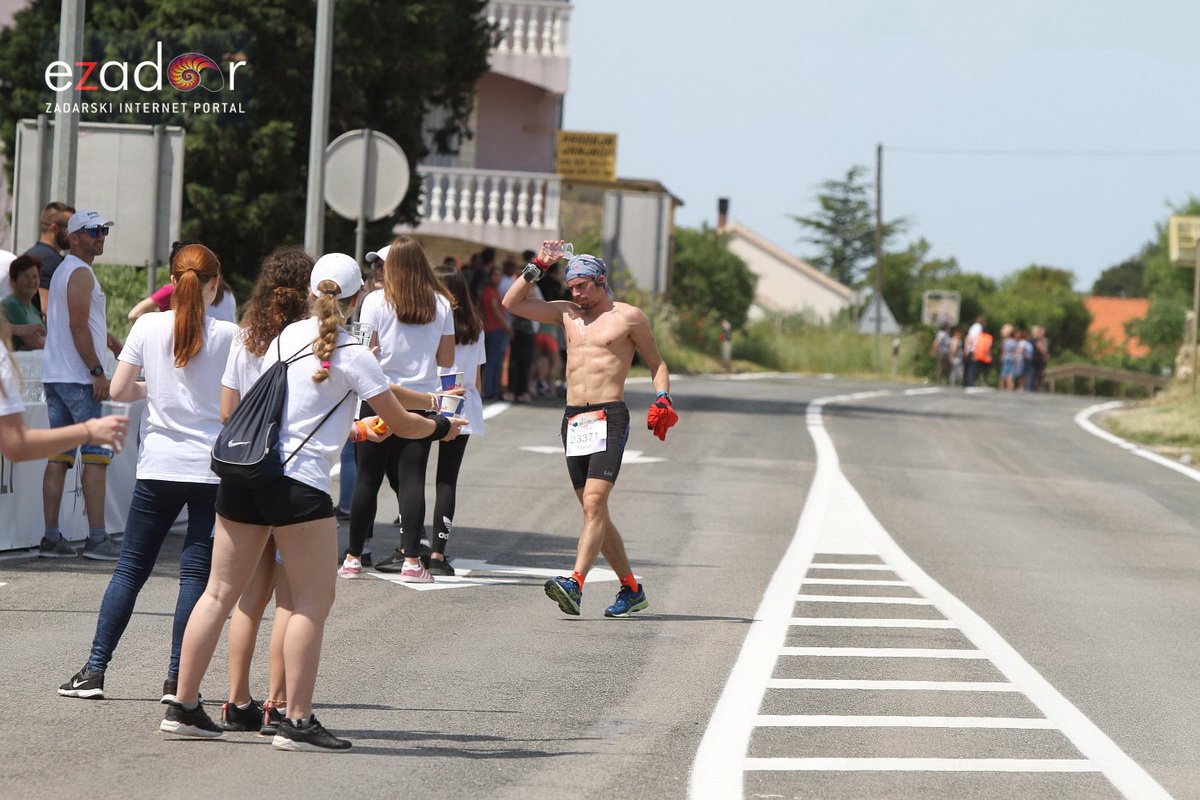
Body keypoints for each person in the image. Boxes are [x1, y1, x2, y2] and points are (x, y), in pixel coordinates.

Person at [159, 253, 464, 751]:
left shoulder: (287, 336)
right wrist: (443, 426)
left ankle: (184, 705)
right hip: (299, 485)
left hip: (247, 473)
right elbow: (402, 424)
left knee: (218, 594)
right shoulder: (352, 352)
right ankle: (295, 720)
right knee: (310, 601)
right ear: (356, 297)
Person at [57, 243, 238, 702]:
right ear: (215, 284)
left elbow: (120, 389)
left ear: (172, 284)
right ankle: (177, 680)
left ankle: (95, 670)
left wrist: (156, 388)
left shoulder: (148, 325)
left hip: (159, 464)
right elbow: (235, 405)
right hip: (211, 469)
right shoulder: (231, 335)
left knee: (131, 570)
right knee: (194, 577)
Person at [503, 242, 676, 618]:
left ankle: (575, 584)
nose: (576, 294)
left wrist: (662, 397)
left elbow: (656, 362)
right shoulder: (566, 314)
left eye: (582, 286)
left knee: (595, 504)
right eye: (572, 287)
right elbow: (512, 304)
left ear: (600, 282)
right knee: (593, 510)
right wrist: (540, 264)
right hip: (574, 420)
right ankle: (631, 589)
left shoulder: (628, 317)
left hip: (609, 415)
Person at [214, 245, 314, 734]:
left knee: (245, 600)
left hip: (247, 475)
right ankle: (277, 706)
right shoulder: (310, 342)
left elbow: (226, 411)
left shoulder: (246, 337)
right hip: (293, 477)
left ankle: (236, 701)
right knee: (291, 601)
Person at [346, 236, 455, 581]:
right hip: (420, 406)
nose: (378, 270)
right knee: (412, 480)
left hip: (376, 398)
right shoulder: (441, 305)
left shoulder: (374, 301)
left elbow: (363, 352)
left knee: (367, 478)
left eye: (382, 265)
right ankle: (411, 561)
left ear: (393, 268)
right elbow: (447, 362)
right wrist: (449, 414)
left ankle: (352, 557)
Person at [39, 209, 126, 560]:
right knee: (96, 458)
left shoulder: (66, 271)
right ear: (74, 237)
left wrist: (108, 339)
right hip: (77, 377)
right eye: (92, 231)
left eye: (103, 230)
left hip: (58, 374)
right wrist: (96, 370)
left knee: (59, 457)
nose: (100, 236)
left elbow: (77, 322)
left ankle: (50, 538)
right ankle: (97, 539)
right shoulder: (79, 272)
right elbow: (76, 325)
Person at [0, 318, 126, 463]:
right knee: (94, 458)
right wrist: (89, 430)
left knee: (60, 460)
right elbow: (16, 445)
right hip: (75, 378)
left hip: (61, 377)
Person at [23, 201, 74, 314]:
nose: (74, 233)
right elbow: (46, 310)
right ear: (54, 228)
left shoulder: (29, 254)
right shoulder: (51, 261)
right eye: (70, 228)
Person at [2, 255, 47, 350]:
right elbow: (35, 343)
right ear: (13, 281)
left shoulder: (33, 308)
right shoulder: (11, 305)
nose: (31, 281)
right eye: (26, 276)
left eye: (35, 276)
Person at [480, 265, 509, 400]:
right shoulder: (490, 292)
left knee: (496, 361)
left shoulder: (494, 291)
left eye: (499, 275)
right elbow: (496, 312)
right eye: (495, 275)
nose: (497, 278)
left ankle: (494, 389)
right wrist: (507, 327)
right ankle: (489, 390)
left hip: (496, 329)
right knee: (492, 361)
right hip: (494, 329)